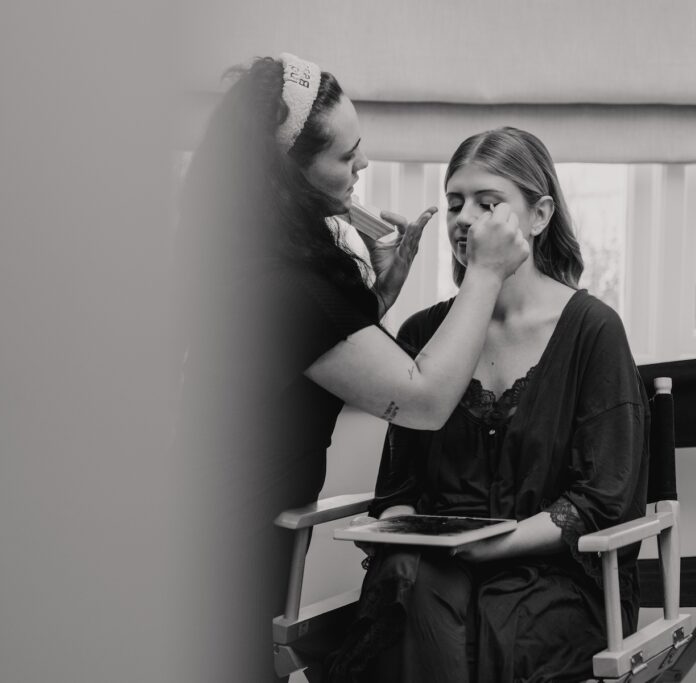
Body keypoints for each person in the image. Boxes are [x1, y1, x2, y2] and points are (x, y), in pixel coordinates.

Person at [173, 55, 529, 682]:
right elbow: (423, 402)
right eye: (345, 157)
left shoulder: (256, 256)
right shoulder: (282, 283)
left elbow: (314, 353)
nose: (361, 165)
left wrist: (376, 302)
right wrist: (487, 272)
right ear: (285, 178)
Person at [326, 127, 650, 683]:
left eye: (487, 202)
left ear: (540, 215)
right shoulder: (425, 332)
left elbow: (603, 501)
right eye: (454, 203)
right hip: (435, 567)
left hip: (552, 575)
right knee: (405, 584)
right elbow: (398, 491)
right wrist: (407, 533)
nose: (463, 218)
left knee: (499, 628)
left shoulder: (593, 330)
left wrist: (493, 544)